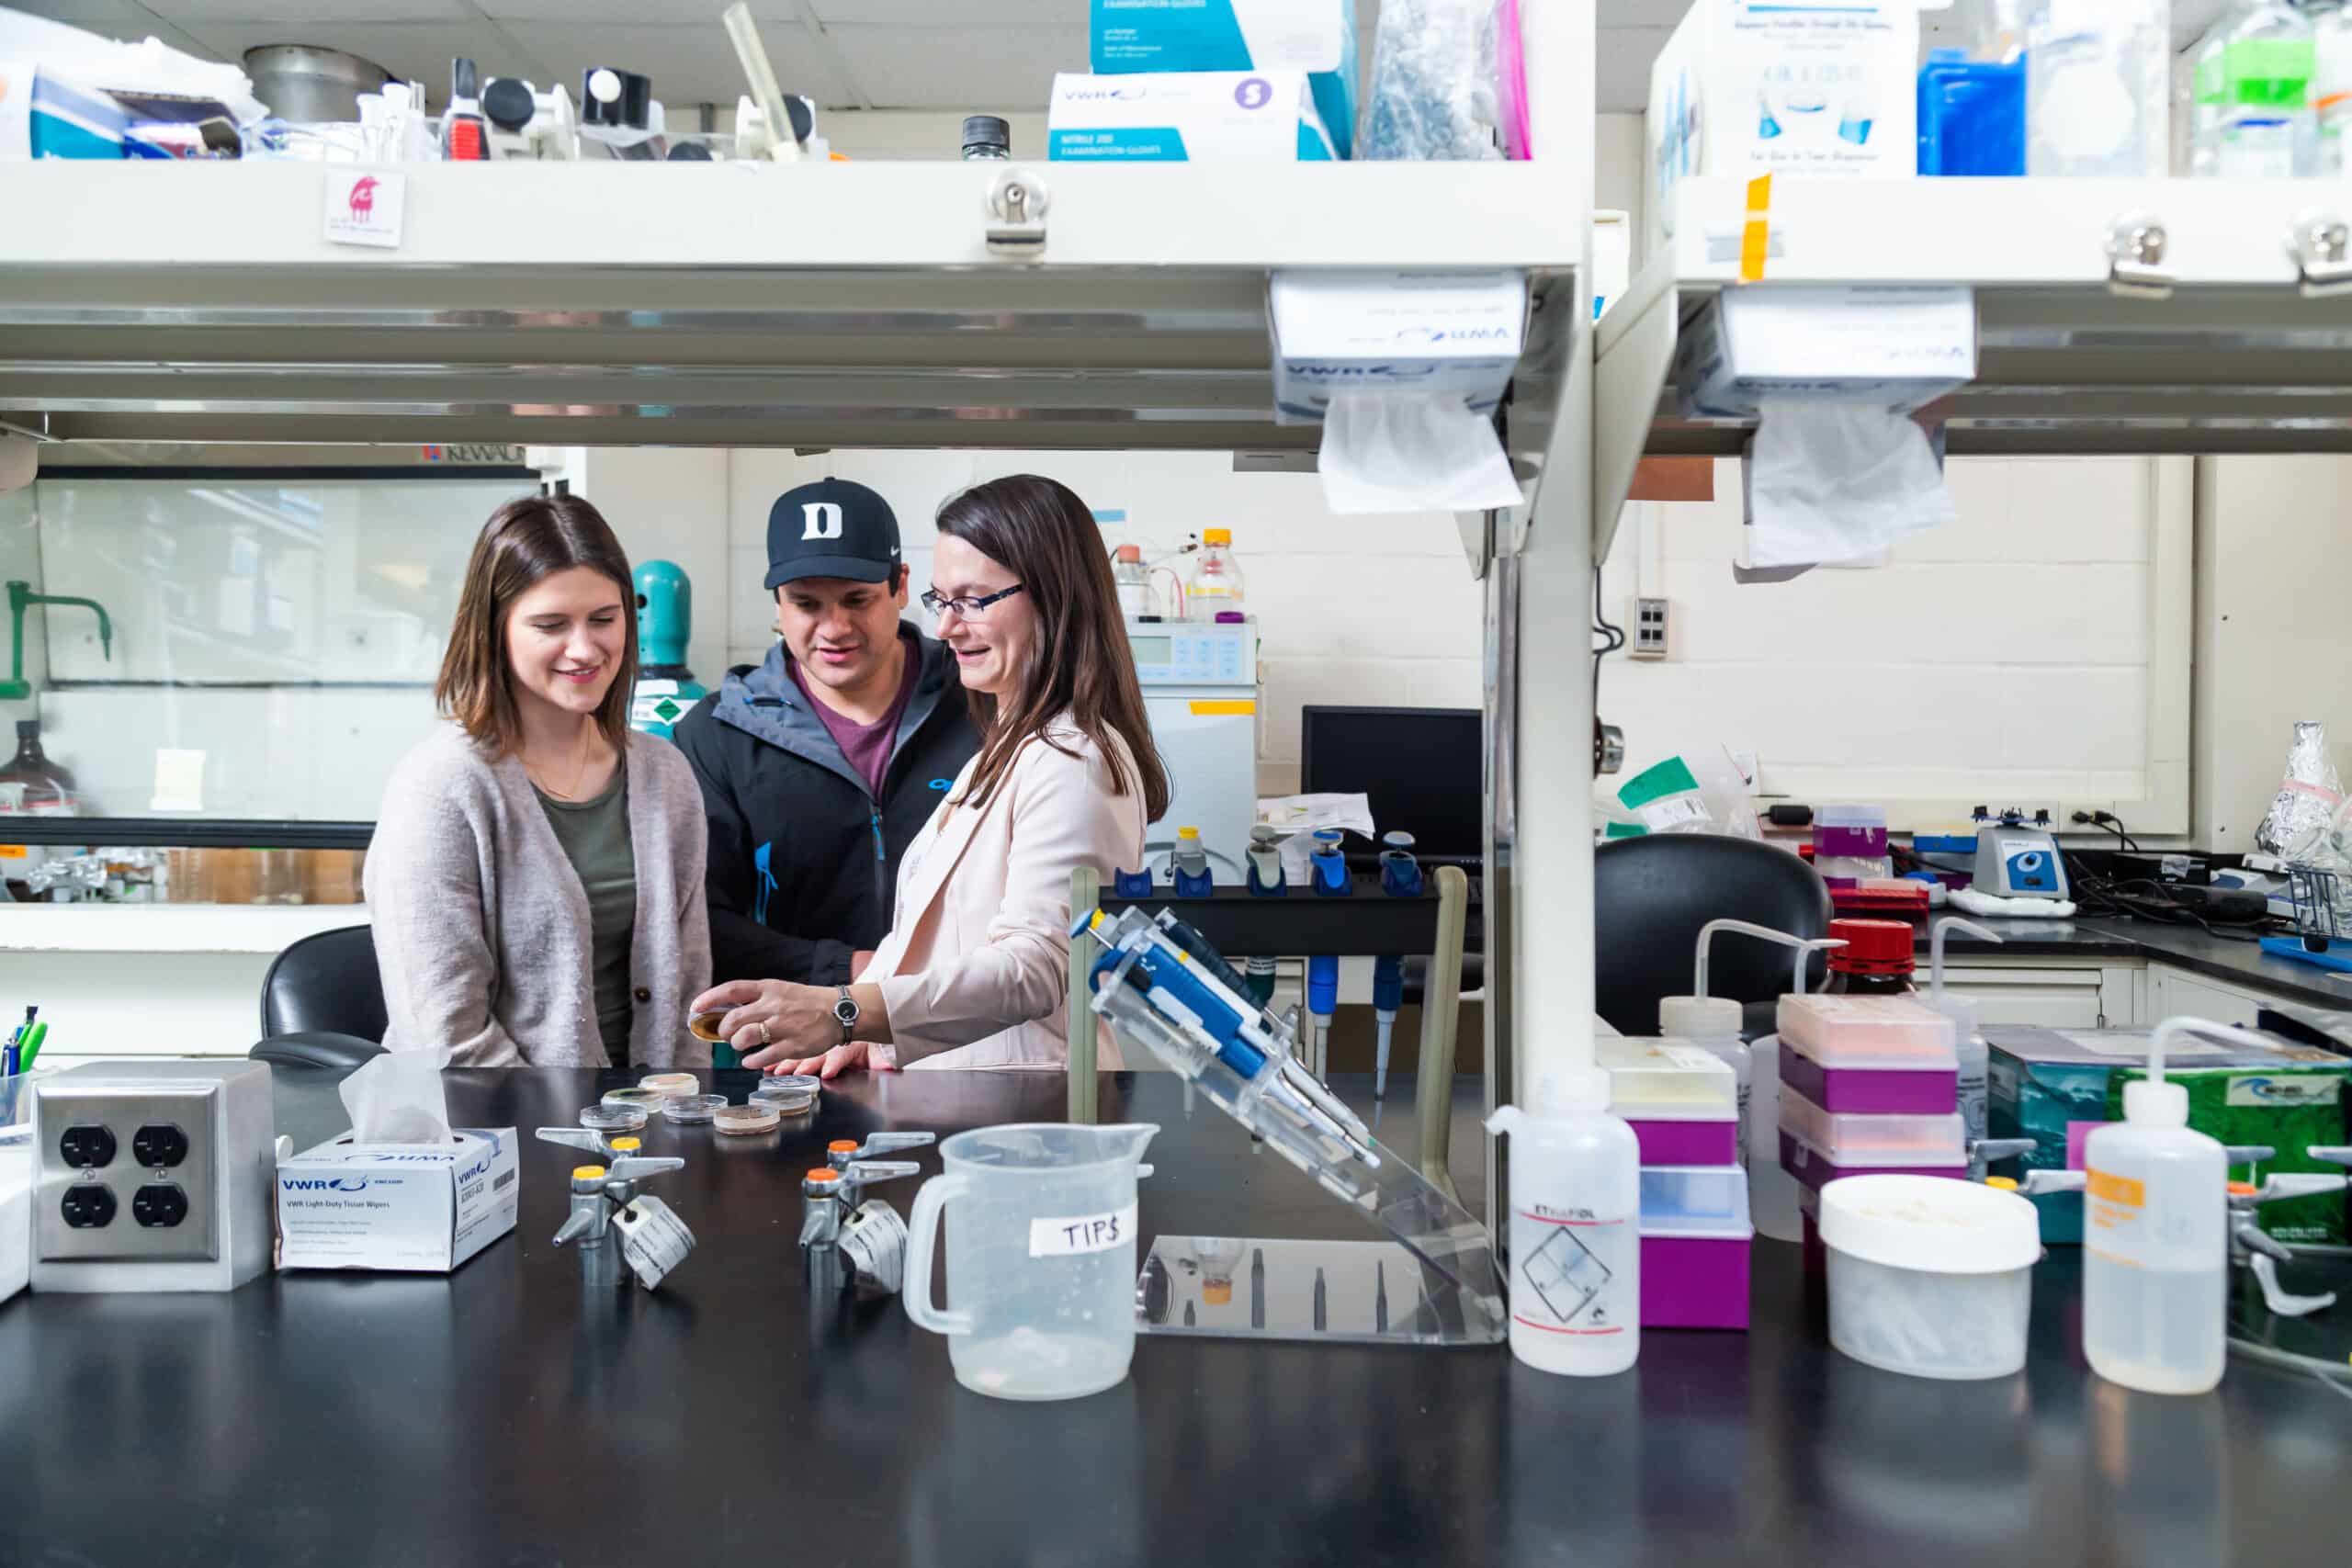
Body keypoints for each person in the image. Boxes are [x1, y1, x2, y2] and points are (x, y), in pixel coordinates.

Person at [692, 473, 1169, 1075]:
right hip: (971, 1105)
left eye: (973, 600)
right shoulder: (1005, 748)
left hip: (1029, 1121)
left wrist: (846, 1010)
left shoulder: (1072, 756)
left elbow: (1035, 967)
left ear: (1053, 594)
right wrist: (862, 1033)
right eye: (943, 601)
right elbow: (939, 942)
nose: (945, 627)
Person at [368, 494, 711, 1067]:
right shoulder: (440, 789)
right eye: (550, 625)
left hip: (646, 1132)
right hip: (493, 1138)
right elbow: (445, 1041)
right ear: (494, 630)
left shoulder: (664, 776)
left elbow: (688, 1000)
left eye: (604, 619)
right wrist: (566, 1139)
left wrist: (680, 1126)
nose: (584, 648)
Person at [672, 478, 980, 999]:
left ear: (900, 586)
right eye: (806, 604)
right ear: (778, 603)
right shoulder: (717, 734)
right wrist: (853, 970)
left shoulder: (981, 703)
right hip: (790, 1055)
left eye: (856, 600)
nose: (834, 628)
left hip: (968, 1029)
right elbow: (697, 918)